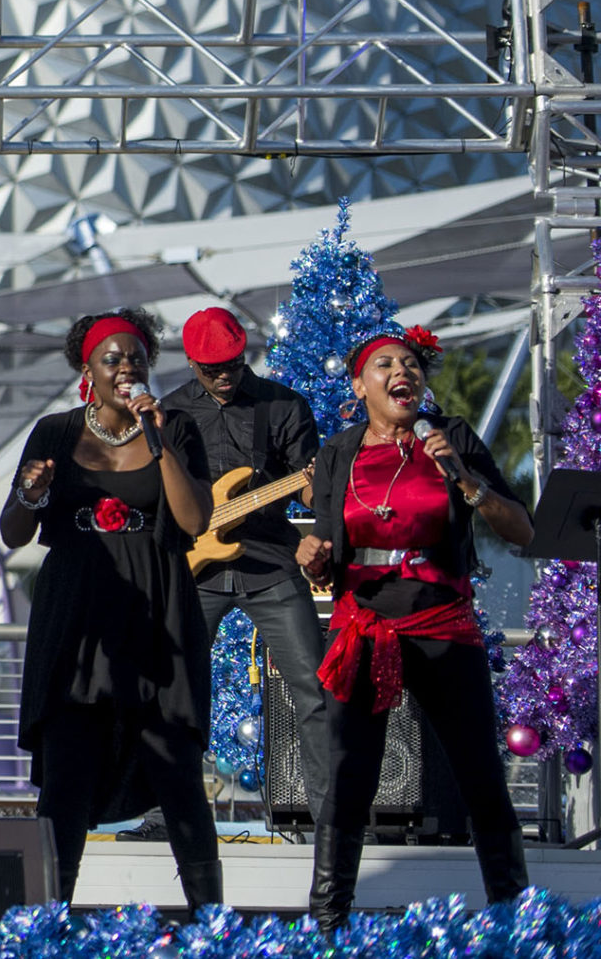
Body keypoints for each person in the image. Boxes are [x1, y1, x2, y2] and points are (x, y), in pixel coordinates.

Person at [296, 325, 531, 932]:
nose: (403, 371)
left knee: (480, 773)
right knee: (349, 779)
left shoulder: (451, 438)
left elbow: (522, 530)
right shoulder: (338, 452)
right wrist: (315, 556)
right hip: (364, 624)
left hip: (442, 620)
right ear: (360, 386)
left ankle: (515, 919)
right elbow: (326, 539)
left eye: (410, 363)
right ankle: (328, 925)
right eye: (385, 364)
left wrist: (465, 479)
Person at [1, 309, 221, 914]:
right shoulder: (54, 432)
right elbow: (14, 532)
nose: (127, 367)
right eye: (112, 359)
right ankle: (46, 920)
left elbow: (195, 521)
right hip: (78, 615)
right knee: (68, 776)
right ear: (88, 370)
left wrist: (158, 439)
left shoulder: (174, 427)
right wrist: (31, 493)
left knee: (177, 772)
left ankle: (212, 924)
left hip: (157, 614)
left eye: (136, 358)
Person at [156, 305, 330, 800]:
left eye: (233, 365)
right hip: (195, 573)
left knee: (312, 689)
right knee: (175, 692)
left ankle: (330, 819)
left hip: (270, 563)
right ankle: (164, 812)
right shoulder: (170, 413)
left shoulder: (283, 406)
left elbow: (310, 490)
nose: (225, 377)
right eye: (212, 369)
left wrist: (317, 487)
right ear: (192, 363)